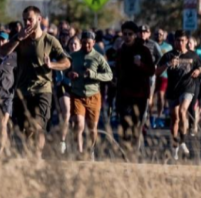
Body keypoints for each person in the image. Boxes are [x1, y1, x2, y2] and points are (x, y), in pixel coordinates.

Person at [0, 6, 70, 158]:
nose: (27, 23)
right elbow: (2, 52)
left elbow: (66, 62)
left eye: (30, 19)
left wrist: (52, 65)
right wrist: (18, 38)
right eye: (24, 20)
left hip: (43, 90)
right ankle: (28, 155)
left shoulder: (49, 40)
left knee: (38, 127)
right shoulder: (20, 39)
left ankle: (36, 159)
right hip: (22, 91)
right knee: (24, 129)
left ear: (39, 19)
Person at [156, 30, 201, 160]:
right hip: (173, 90)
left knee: (183, 111)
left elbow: (200, 66)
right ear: (174, 41)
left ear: (187, 41)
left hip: (188, 88)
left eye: (182, 40)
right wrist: (168, 64)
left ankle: (182, 140)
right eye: (177, 40)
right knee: (174, 118)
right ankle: (175, 146)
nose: (180, 43)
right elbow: (157, 72)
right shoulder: (169, 55)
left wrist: (197, 71)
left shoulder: (193, 55)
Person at [68, 31, 113, 159]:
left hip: (93, 95)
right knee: (78, 123)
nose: (86, 46)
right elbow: (66, 70)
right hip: (77, 94)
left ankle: (91, 150)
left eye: (89, 43)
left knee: (92, 127)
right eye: (83, 43)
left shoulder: (98, 57)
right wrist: (69, 74)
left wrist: (94, 75)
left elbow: (109, 75)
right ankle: (79, 152)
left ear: (93, 43)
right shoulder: (74, 56)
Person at [115, 21, 155, 149]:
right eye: (124, 34)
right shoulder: (121, 51)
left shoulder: (144, 50)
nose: (127, 36)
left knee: (136, 123)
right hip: (124, 93)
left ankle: (134, 150)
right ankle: (125, 149)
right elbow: (117, 70)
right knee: (124, 121)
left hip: (140, 93)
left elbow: (152, 71)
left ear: (135, 35)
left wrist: (141, 65)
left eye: (130, 34)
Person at [57, 35, 81, 154]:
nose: (73, 46)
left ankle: (77, 145)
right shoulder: (65, 57)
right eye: (71, 44)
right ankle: (62, 141)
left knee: (77, 119)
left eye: (75, 44)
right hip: (64, 87)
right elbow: (59, 74)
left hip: (78, 90)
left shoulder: (83, 58)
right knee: (66, 113)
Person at [138, 25, 162, 128]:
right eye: (141, 32)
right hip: (138, 74)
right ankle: (140, 117)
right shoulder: (135, 44)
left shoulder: (153, 44)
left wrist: (155, 65)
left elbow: (160, 57)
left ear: (149, 33)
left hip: (150, 74)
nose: (143, 33)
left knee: (149, 97)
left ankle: (147, 117)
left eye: (145, 32)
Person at [153, 28, 172, 129]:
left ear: (164, 35)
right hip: (152, 74)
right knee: (151, 97)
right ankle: (151, 117)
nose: (158, 36)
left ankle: (159, 116)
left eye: (161, 34)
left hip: (164, 75)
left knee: (161, 95)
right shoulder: (150, 45)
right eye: (156, 34)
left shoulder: (168, 47)